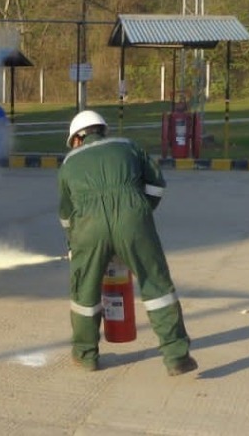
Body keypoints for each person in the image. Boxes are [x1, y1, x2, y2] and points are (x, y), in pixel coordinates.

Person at [57, 110, 197, 376]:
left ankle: (86, 355)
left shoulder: (69, 163)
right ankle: (176, 355)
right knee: (156, 284)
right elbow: (157, 185)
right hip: (133, 219)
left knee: (84, 292)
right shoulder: (128, 146)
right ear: (103, 130)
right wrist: (139, 214)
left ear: (77, 138)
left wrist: (73, 245)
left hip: (88, 229)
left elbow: (66, 215)